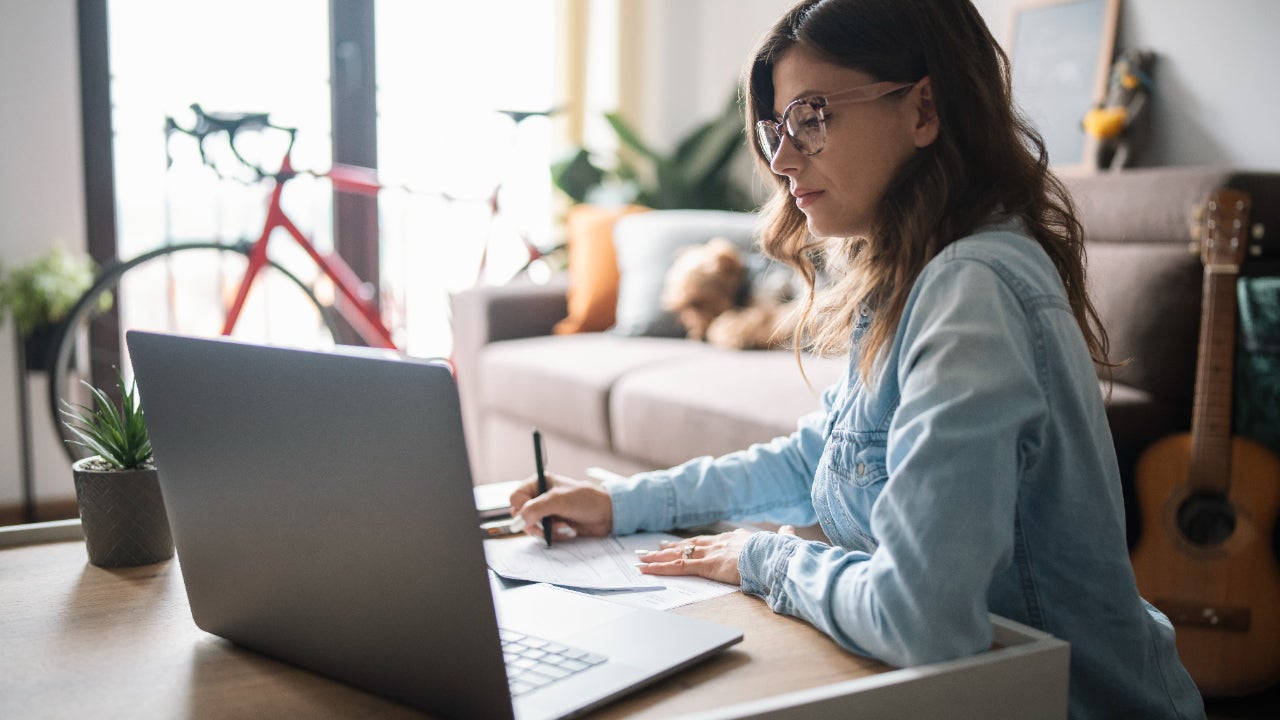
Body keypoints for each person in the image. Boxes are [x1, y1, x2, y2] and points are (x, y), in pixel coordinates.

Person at [511, 1, 1204, 717]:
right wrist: (622, 503)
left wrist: (763, 558)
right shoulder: (913, 274)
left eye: (812, 117)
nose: (781, 160)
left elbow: (919, 617)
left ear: (923, 110)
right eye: (775, 129)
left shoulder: (974, 289)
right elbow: (824, 459)